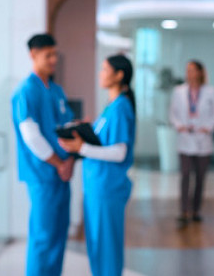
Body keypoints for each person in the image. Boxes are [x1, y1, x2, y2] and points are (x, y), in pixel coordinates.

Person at [58, 54, 136, 276]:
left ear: (119, 75)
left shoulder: (121, 107)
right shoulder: (111, 106)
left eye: (105, 69)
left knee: (106, 249)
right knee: (97, 246)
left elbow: (120, 152)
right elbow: (103, 142)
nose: (101, 74)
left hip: (107, 188)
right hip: (97, 187)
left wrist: (81, 148)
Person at [11, 33, 75, 276]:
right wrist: (59, 163)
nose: (53, 60)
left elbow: (67, 125)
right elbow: (31, 136)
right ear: (33, 55)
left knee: (59, 234)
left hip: (62, 173)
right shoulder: (26, 91)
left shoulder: (56, 90)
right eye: (47, 55)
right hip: (43, 175)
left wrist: (69, 160)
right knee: (43, 236)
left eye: (54, 54)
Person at [169, 60, 214, 226]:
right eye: (187, 70)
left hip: (203, 138)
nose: (189, 73)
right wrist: (179, 126)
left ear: (199, 72)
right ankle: (184, 210)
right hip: (185, 138)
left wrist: (208, 127)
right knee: (185, 176)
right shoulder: (179, 91)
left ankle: (196, 210)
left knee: (200, 178)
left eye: (192, 70)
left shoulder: (209, 91)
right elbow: (173, 113)